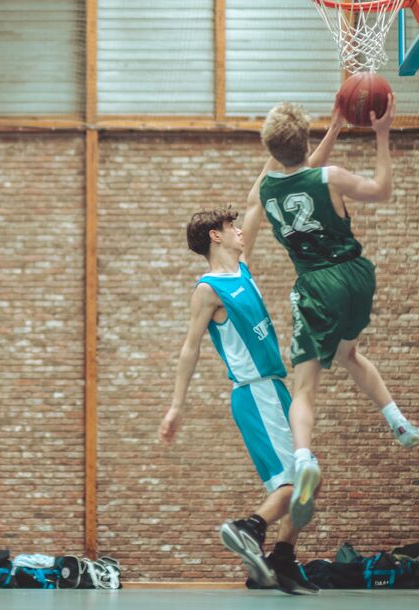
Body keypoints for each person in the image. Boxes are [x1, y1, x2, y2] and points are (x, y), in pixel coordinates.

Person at [255, 100, 419, 528]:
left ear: (270, 148)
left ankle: (302, 458)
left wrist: (331, 131)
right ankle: (398, 421)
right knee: (349, 355)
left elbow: (299, 170)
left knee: (304, 388)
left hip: (317, 284)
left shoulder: (266, 189)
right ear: (305, 140)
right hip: (356, 277)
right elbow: (381, 188)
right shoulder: (328, 177)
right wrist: (381, 134)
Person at [158, 204, 318, 594]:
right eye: (231, 227)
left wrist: (276, 162)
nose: (239, 231)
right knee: (299, 482)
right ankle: (248, 528)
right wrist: (177, 405)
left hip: (274, 388)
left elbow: (254, 204)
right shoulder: (209, 289)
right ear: (216, 235)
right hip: (255, 392)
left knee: (308, 480)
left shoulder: (242, 269)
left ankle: (281, 559)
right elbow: (189, 348)